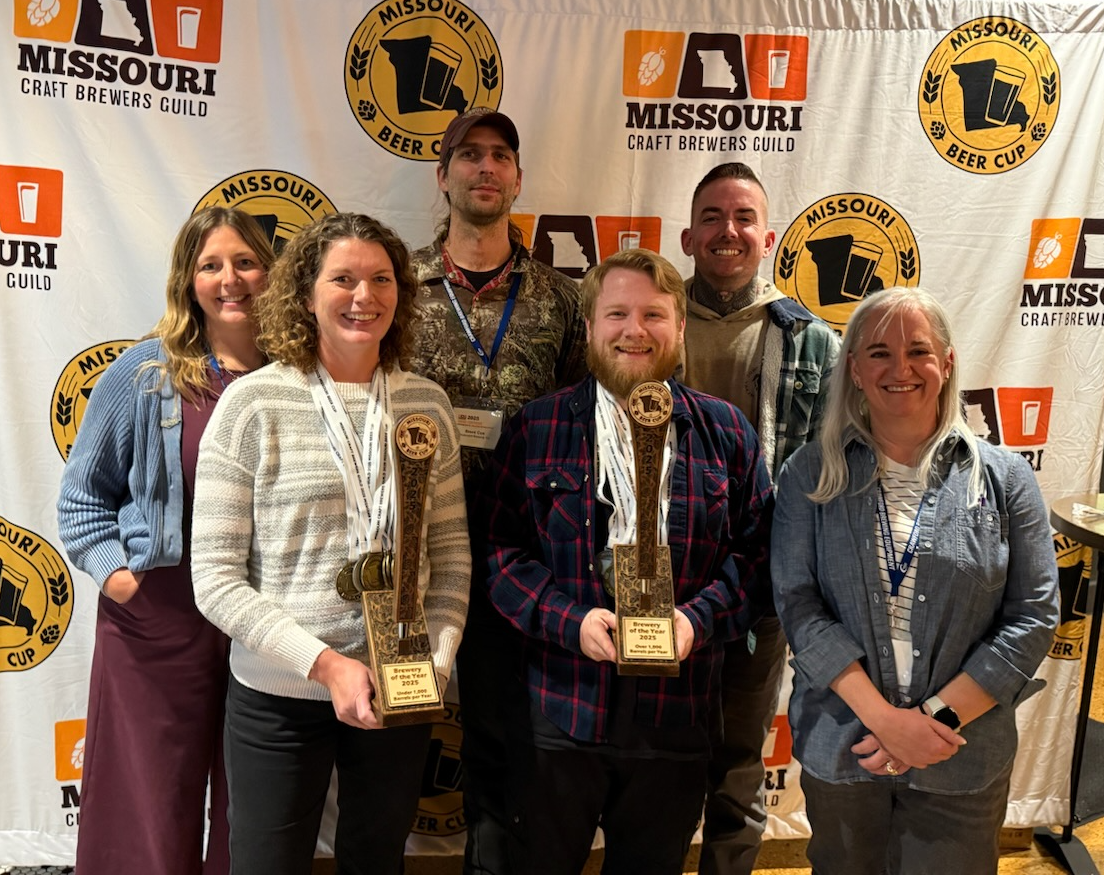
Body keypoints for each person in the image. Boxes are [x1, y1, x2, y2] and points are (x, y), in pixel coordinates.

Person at [476, 248, 773, 875]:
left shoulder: (727, 434)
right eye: (616, 314)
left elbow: (757, 557)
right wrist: (568, 621)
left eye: (653, 315)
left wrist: (696, 621)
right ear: (588, 328)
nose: (634, 331)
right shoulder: (538, 427)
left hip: (678, 715)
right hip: (561, 711)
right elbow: (500, 556)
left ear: (680, 327)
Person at [190, 213, 470, 874]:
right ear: (306, 294)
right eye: (342, 278)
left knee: (377, 858)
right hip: (280, 689)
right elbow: (215, 578)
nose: (363, 296)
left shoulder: (427, 407)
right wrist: (325, 664)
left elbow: (452, 558)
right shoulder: (252, 406)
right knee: (266, 862)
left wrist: (436, 658)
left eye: (380, 279)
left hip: (400, 684)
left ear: (401, 293)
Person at [772, 287, 1059, 874]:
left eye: (918, 351)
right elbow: (799, 607)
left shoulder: (1007, 480)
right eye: (878, 352)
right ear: (852, 368)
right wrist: (887, 722)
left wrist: (934, 721)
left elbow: (1034, 616)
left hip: (960, 754)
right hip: (845, 745)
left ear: (947, 362)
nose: (899, 369)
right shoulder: (808, 474)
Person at [57, 206, 275, 875]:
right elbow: (81, 500)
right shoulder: (144, 373)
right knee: (147, 800)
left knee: (255, 803)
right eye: (211, 264)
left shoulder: (295, 375)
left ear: (271, 272)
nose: (229, 278)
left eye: (244, 261)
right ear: (188, 279)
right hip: (159, 617)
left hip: (261, 618)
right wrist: (120, 574)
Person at [407, 106, 586, 875]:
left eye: (500, 156)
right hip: (414, 551)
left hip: (529, 555)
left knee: (516, 737)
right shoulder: (394, 284)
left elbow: (585, 420)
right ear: (441, 175)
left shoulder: (562, 298)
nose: (486, 167)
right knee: (404, 734)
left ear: (517, 177)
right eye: (469, 155)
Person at [679, 162, 840, 875]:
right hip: (661, 584)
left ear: (768, 236)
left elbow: (838, 468)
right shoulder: (652, 318)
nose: (728, 230)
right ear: (687, 234)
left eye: (743, 218)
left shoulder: (812, 342)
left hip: (758, 588)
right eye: (713, 216)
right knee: (657, 755)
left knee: (741, 759)